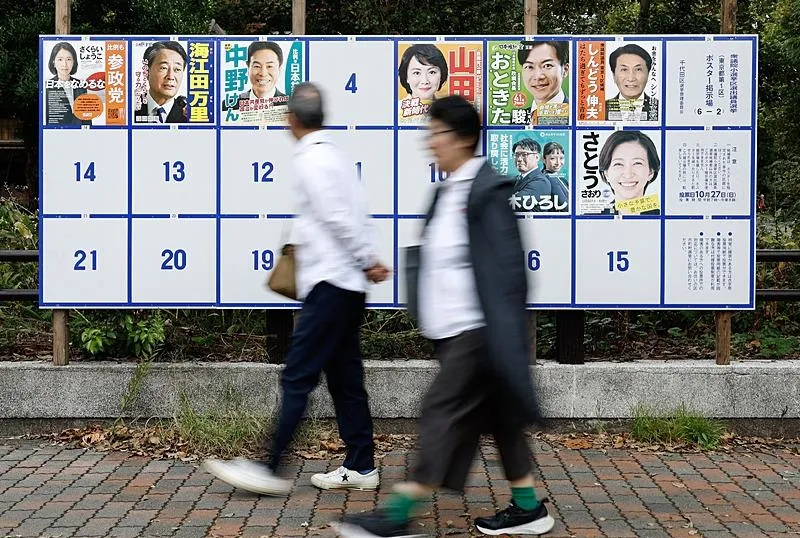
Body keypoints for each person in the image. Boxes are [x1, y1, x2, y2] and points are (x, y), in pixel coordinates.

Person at [332, 95, 551, 538]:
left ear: (464, 138)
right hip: (453, 332)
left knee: (440, 412)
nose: (430, 143)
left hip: (478, 330)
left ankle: (398, 513)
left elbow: (509, 273)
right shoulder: (448, 191)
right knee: (500, 419)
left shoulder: (486, 193)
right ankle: (529, 508)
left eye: (437, 134)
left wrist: (504, 337)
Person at [203, 83, 391, 495]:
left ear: (291, 120)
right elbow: (354, 216)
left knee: (298, 377)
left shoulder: (312, 160)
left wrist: (367, 260)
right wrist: (366, 262)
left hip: (330, 286)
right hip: (347, 287)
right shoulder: (335, 156)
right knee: (345, 379)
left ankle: (269, 467)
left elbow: (338, 219)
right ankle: (361, 465)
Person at [598, 130, 661, 215]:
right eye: (618, 164)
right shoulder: (589, 220)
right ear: (606, 173)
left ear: (651, 172)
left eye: (637, 163)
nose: (628, 175)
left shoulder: (667, 218)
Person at [517, 40, 569, 126]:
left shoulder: (575, 115)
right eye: (529, 67)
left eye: (547, 65)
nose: (538, 76)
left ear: (565, 70)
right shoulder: (517, 118)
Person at [134, 41, 188, 124]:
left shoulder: (188, 116)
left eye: (177, 69)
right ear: (147, 71)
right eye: (163, 68)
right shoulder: (130, 107)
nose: (170, 76)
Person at [510, 138, 568, 212]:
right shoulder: (517, 179)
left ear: (537, 157)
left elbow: (511, 204)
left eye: (524, 154)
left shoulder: (541, 182)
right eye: (516, 155)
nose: (519, 159)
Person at [605, 44, 659, 122]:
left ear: (648, 74)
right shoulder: (600, 110)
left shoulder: (661, 108)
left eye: (638, 69)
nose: (631, 78)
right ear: (614, 75)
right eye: (624, 70)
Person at [398, 44, 449, 122]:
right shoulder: (395, 110)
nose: (425, 81)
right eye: (417, 73)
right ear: (406, 77)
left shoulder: (448, 111)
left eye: (432, 72)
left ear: (441, 75)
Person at [44, 42, 88, 125]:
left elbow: (86, 117)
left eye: (68, 59)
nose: (64, 64)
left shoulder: (81, 85)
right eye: (60, 59)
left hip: (80, 131)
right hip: (57, 131)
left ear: (74, 62)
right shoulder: (47, 86)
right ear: (53, 62)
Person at [235, 41, 288, 108]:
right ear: (248, 67)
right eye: (257, 66)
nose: (263, 73)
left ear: (279, 69)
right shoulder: (229, 105)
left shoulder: (291, 105)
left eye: (269, 66)